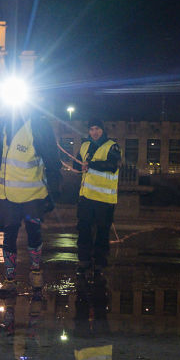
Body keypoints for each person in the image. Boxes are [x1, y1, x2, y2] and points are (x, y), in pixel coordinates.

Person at [0, 108, 62, 295]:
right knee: (8, 237)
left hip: (33, 194)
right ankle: (9, 280)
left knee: (34, 234)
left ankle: (35, 271)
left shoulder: (39, 125)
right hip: (7, 196)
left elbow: (52, 160)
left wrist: (53, 191)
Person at [74, 118, 121, 276]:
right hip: (86, 197)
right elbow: (76, 163)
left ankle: (100, 262)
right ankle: (84, 260)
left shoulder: (112, 146)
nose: (94, 132)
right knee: (84, 229)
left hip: (104, 200)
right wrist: (79, 165)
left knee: (102, 232)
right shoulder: (85, 145)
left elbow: (112, 166)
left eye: (97, 129)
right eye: (92, 129)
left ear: (103, 130)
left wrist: (90, 164)